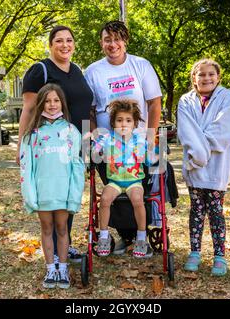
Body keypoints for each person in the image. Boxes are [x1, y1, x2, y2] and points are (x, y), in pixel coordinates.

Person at [84, 20, 162, 254]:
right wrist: (95, 140)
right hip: (109, 147)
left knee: (139, 194)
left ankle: (141, 237)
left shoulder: (140, 65)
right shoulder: (93, 71)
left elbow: (154, 102)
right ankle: (123, 236)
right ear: (101, 43)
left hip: (138, 145)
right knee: (113, 194)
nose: (113, 44)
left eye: (117, 38)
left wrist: (151, 136)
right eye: (107, 39)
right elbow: (90, 110)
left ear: (125, 40)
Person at [19, 25, 93, 263]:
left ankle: (65, 244)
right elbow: (29, 109)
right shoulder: (40, 70)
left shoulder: (78, 70)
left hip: (76, 140)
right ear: (50, 45)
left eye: (69, 40)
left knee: (69, 190)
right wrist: (22, 145)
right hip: (52, 144)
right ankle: (58, 251)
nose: (65, 45)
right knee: (55, 194)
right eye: (59, 41)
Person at [177, 58, 230, 276]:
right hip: (194, 165)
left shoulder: (226, 97)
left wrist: (201, 149)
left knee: (215, 210)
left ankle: (219, 256)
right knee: (196, 210)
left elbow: (225, 129)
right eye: (201, 74)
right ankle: (194, 252)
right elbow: (186, 132)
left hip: (216, 165)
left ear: (218, 76)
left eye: (211, 74)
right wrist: (198, 153)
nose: (206, 78)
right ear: (194, 78)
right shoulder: (185, 101)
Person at [19, 83, 85, 289]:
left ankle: (63, 268)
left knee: (62, 228)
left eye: (56, 100)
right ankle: (50, 269)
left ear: (62, 103)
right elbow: (26, 168)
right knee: (46, 228)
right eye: (47, 101)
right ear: (41, 104)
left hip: (63, 193)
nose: (52, 104)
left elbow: (77, 166)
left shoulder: (71, 131)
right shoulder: (32, 134)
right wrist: (30, 195)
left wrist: (74, 195)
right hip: (42, 193)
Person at [92, 99, 156, 258]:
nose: (123, 124)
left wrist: (150, 151)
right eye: (119, 120)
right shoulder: (107, 139)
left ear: (134, 123)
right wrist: (95, 148)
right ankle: (104, 236)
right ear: (113, 122)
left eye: (128, 120)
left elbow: (148, 162)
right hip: (114, 181)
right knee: (105, 199)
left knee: (137, 199)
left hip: (134, 181)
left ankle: (141, 237)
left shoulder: (139, 140)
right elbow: (96, 151)